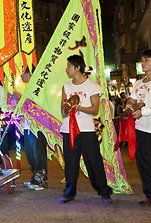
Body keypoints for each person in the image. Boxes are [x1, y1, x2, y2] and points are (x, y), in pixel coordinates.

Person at [59, 55, 112, 205]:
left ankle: (104, 192)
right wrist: (68, 109)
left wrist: (79, 108)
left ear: (77, 68)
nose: (67, 69)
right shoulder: (66, 86)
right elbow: (63, 111)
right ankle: (69, 193)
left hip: (87, 129)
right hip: (69, 130)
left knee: (93, 161)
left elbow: (95, 110)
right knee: (70, 162)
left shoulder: (92, 86)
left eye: (69, 66)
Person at [124, 49, 151, 206]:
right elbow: (132, 99)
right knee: (143, 164)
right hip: (140, 129)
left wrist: (145, 112)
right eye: (142, 60)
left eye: (147, 60)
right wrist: (129, 105)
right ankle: (150, 195)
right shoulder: (138, 83)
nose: (143, 63)